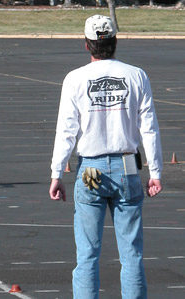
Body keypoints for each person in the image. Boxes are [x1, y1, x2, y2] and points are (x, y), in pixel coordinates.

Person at [49, 15, 163, 299]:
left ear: (86, 45)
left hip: (91, 169)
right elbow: (149, 128)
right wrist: (156, 173)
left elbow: (66, 130)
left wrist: (56, 174)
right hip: (127, 166)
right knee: (131, 253)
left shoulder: (74, 78)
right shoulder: (136, 75)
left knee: (87, 254)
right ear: (114, 41)